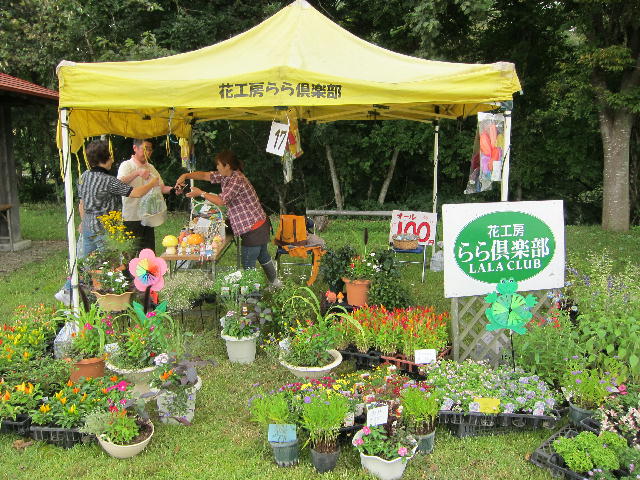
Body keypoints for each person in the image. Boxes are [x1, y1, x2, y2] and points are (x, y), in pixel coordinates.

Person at [54, 139, 159, 304]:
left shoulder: (84, 176)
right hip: (105, 227)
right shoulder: (108, 180)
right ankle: (113, 299)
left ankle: (68, 290)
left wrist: (83, 221)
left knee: (84, 261)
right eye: (110, 157)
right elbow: (136, 193)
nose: (112, 160)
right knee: (113, 264)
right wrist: (153, 183)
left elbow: (82, 203)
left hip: (88, 224)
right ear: (106, 158)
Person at [174, 150, 280, 286]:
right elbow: (205, 175)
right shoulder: (227, 175)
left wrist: (201, 193)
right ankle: (275, 283)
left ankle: (253, 295)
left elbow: (221, 201)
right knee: (263, 255)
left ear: (227, 166)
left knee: (248, 263)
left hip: (253, 228)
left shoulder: (237, 180)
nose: (217, 167)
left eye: (219, 165)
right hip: (259, 224)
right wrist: (185, 175)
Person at [117, 138, 173, 253]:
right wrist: (137, 173)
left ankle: (148, 266)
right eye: (145, 149)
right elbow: (119, 183)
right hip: (131, 217)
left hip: (148, 216)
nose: (147, 152)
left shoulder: (150, 167)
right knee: (130, 253)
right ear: (135, 148)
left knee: (148, 252)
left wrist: (174, 190)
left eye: (150, 150)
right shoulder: (127, 165)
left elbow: (161, 187)